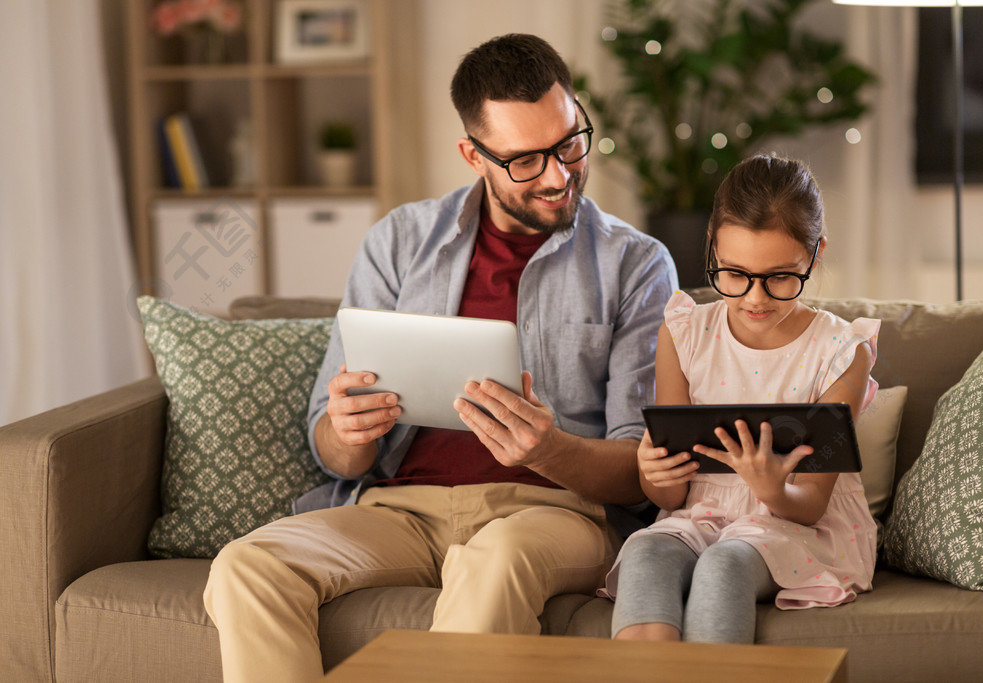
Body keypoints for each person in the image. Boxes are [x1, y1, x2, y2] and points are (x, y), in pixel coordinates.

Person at [202, 33, 677, 682]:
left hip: (551, 513)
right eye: (526, 161)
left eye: (569, 144)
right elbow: (332, 447)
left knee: (497, 556)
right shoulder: (398, 242)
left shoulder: (636, 264)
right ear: (473, 155)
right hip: (402, 509)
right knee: (246, 566)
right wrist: (347, 431)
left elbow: (639, 473)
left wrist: (547, 448)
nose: (558, 175)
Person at [603, 154, 880, 644]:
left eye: (779, 277)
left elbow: (811, 505)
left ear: (814, 256)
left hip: (796, 523)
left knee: (723, 564)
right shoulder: (684, 333)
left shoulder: (841, 353)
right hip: (702, 515)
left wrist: (771, 487)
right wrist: (652, 472)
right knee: (647, 555)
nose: (754, 298)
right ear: (712, 249)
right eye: (734, 274)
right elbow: (669, 497)